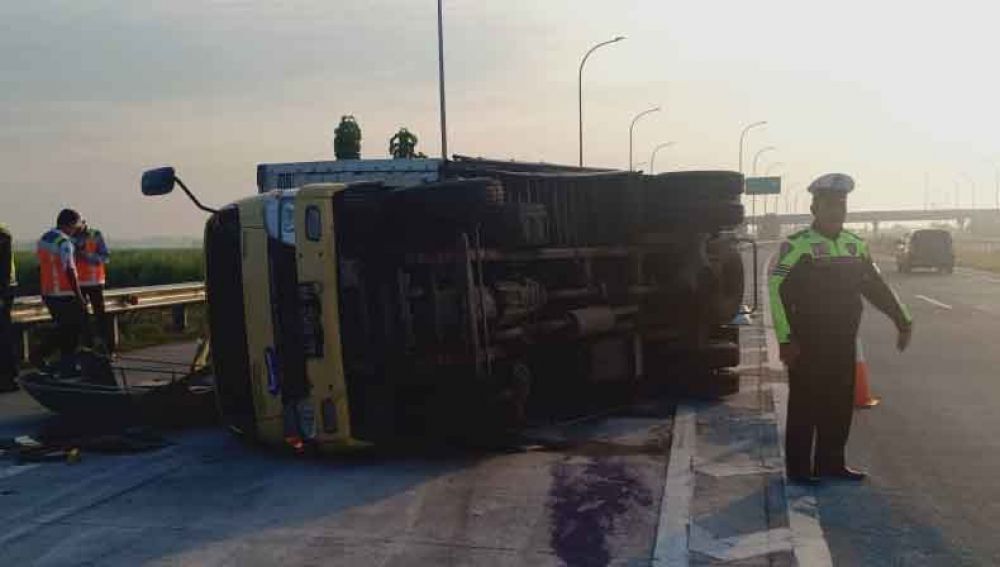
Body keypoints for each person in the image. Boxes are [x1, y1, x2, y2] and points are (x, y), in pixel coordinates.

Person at [769, 173, 913, 484]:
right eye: (830, 204)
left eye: (842, 204)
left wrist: (902, 320)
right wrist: (785, 339)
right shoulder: (796, 247)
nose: (837, 210)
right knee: (805, 407)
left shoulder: (855, 246)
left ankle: (831, 463)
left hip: (842, 342)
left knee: (838, 404)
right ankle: (798, 469)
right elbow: (776, 291)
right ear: (814, 207)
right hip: (806, 343)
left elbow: (876, 287)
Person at [30, 209, 87, 376]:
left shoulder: (44, 239)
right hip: (64, 293)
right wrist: (79, 296)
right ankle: (42, 354)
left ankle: (66, 365)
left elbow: (40, 267)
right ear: (69, 224)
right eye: (76, 224)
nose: (77, 228)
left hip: (48, 292)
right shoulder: (64, 242)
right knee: (71, 329)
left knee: (66, 329)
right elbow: (70, 270)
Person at [74, 221, 114, 355]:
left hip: (95, 282)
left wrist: (87, 256)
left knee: (100, 316)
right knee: (81, 318)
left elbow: (105, 257)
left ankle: (108, 348)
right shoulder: (68, 236)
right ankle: (88, 348)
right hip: (76, 283)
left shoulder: (95, 235)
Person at [0, 223, 17, 392]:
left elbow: (4, 267)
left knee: (3, 335)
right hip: (4, 288)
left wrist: (2, 294)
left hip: (3, 289)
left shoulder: (2, 234)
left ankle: (8, 378)